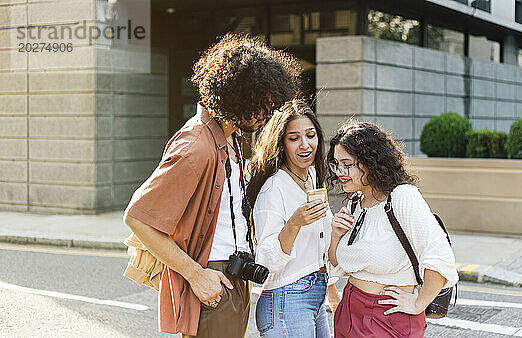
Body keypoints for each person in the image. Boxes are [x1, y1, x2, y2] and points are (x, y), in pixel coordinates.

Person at [122, 33, 300, 337]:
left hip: (235, 273)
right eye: (262, 103)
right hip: (212, 276)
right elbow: (137, 217)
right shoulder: (195, 146)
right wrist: (196, 275)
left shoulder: (231, 139)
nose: (268, 113)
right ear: (237, 96)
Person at [327, 120, 459, 338]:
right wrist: (335, 236)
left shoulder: (402, 197)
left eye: (347, 164)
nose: (340, 171)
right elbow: (337, 263)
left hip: (388, 317)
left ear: (370, 162)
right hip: (349, 311)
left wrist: (418, 303)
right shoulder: (354, 203)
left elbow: (440, 257)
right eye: (336, 163)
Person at [246, 100, 341, 338]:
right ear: (282, 143)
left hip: (314, 293)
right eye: (294, 138)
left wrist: (332, 293)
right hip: (287, 298)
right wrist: (294, 223)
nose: (305, 145)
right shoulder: (274, 188)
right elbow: (265, 260)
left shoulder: (312, 176)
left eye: (310, 135)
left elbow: (320, 244)